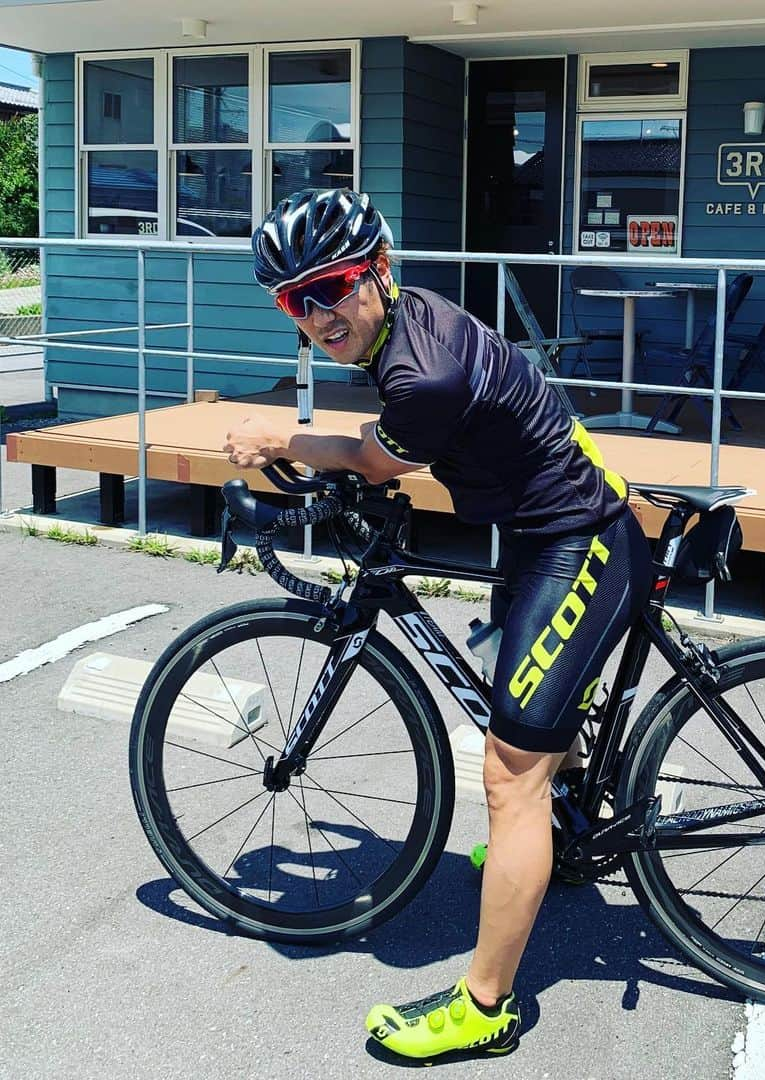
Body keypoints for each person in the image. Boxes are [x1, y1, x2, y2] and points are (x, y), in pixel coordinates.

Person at [224, 188, 651, 1060]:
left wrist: (282, 440)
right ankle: (557, 847)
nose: (318, 314)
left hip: (577, 539)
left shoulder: (424, 373)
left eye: (332, 286)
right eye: (294, 300)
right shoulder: (404, 323)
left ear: (376, 269)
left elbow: (378, 455)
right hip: (543, 529)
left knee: (509, 778)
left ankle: (486, 1008)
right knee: (521, 707)